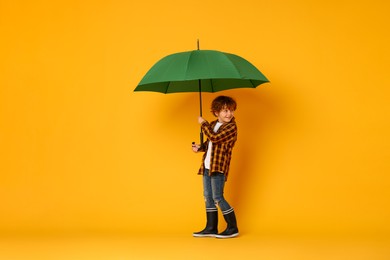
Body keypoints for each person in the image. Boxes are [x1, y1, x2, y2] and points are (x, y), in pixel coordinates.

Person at [191, 95, 239, 239]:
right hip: (207, 166)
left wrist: (203, 124)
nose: (229, 114)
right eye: (225, 111)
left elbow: (216, 138)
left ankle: (232, 227)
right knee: (208, 197)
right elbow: (210, 143)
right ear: (216, 112)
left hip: (218, 167)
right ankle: (211, 227)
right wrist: (200, 147)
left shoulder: (231, 127)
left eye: (231, 110)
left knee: (218, 197)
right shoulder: (213, 125)